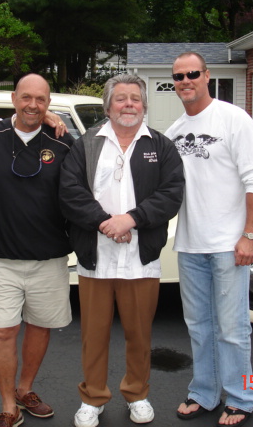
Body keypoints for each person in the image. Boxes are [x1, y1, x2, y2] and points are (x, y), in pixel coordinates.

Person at [59, 74, 185, 427]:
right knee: (93, 335)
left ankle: (137, 394)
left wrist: (130, 219)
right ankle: (93, 397)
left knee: (139, 334)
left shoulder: (161, 147)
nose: (128, 104)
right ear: (108, 106)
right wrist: (104, 223)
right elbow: (70, 193)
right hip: (95, 259)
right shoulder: (85, 145)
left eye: (135, 99)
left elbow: (171, 193)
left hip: (140, 259)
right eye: (121, 98)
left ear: (144, 106)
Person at [165, 52, 253, 427]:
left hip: (229, 245)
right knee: (198, 326)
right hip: (190, 244)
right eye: (178, 76)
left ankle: (241, 397)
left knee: (233, 328)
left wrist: (249, 236)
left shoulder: (233, 119)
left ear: (207, 76)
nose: (185, 80)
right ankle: (204, 392)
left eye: (192, 73)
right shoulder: (174, 131)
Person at [0, 73, 75, 427]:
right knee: (3, 331)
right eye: (26, 98)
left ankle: (25, 389)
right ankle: (8, 405)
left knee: (39, 326)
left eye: (41, 100)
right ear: (13, 98)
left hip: (48, 258)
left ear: (49, 104)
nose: (33, 105)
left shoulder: (64, 142)